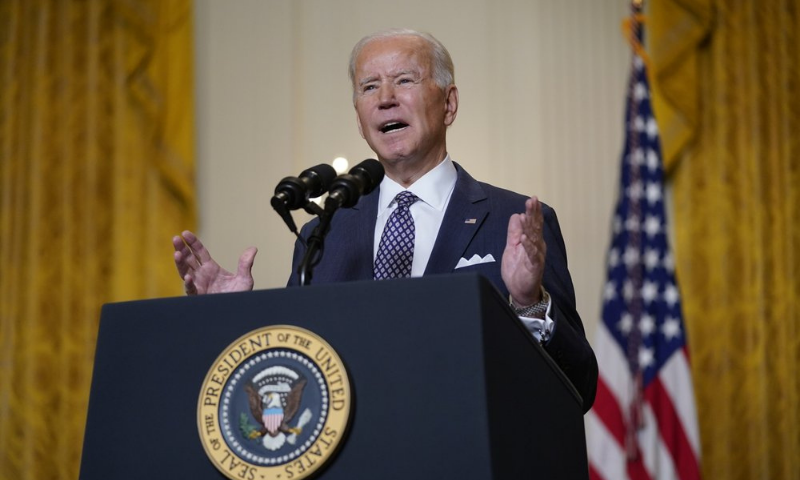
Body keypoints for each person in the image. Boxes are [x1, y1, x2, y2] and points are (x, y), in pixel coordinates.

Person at [173, 28, 597, 412]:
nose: (385, 97)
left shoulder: (513, 218)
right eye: (369, 86)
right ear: (360, 119)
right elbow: (293, 372)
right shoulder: (323, 234)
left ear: (448, 104)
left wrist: (529, 302)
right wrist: (228, 318)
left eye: (405, 80)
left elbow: (578, 386)